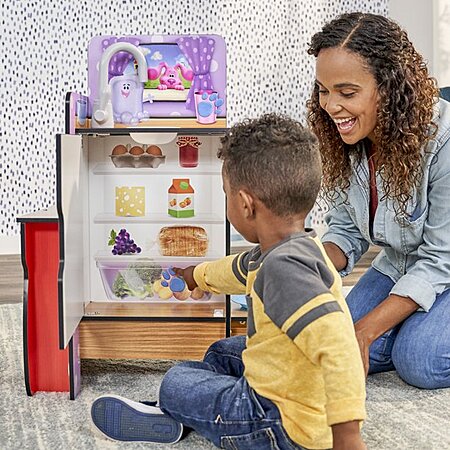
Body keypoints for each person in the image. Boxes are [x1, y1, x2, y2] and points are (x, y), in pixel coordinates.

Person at [91, 113, 367, 449]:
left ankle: (177, 412)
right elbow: (237, 269)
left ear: (246, 204)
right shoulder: (292, 248)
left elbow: (340, 345)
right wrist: (194, 276)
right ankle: (198, 407)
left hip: (276, 423)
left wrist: (347, 436)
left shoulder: (284, 269)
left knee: (175, 382)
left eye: (226, 194)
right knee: (223, 352)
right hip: (292, 383)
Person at [307, 12, 450, 389]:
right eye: (323, 90)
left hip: (446, 267)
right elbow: (345, 229)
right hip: (399, 264)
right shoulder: (348, 140)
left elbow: (440, 260)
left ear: (389, 88)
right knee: (338, 341)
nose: (330, 106)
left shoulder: (444, 143)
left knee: (418, 361)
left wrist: (367, 331)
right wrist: (307, 264)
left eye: (347, 93)